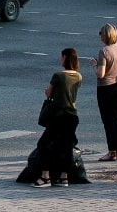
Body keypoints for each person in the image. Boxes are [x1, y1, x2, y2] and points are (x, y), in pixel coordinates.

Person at [31, 47, 82, 188]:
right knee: (65, 146)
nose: (60, 59)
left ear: (65, 58)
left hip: (58, 116)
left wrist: (49, 92)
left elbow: (49, 92)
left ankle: (45, 176)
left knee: (43, 143)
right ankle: (63, 177)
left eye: (61, 57)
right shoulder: (78, 76)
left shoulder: (58, 76)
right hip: (72, 116)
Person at [90, 23, 117, 162]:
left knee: (107, 120)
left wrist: (94, 64)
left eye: (101, 33)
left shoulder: (104, 51)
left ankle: (111, 151)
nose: (100, 35)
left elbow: (100, 74)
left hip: (106, 88)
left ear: (105, 35)